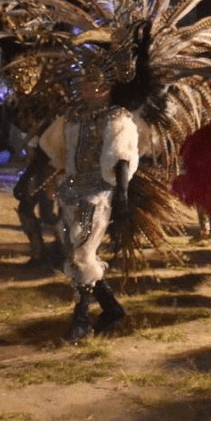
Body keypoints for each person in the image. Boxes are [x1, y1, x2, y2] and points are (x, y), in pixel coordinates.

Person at [40, 63, 136, 343]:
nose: (91, 91)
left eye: (98, 86)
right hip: (69, 193)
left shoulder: (117, 118)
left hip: (95, 197)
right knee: (75, 251)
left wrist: (122, 195)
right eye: (86, 85)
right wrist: (48, 180)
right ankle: (111, 308)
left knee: (80, 253)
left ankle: (81, 320)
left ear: (109, 88)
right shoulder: (72, 117)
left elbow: (121, 156)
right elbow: (56, 151)